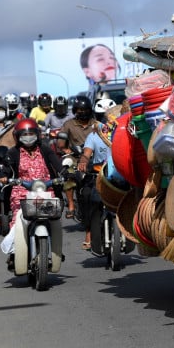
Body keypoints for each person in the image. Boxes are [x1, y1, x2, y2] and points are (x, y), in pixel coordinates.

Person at [2, 118, 63, 227]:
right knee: (18, 222)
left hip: (45, 190)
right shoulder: (13, 152)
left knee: (54, 222)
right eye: (24, 134)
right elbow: (7, 169)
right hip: (21, 192)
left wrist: (66, 173)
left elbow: (57, 164)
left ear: (37, 135)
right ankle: (13, 243)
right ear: (17, 136)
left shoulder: (45, 149)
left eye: (31, 134)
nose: (28, 137)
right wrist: (4, 177)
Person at [75, 97, 115, 250]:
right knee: (86, 194)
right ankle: (88, 230)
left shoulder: (123, 132)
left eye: (109, 117)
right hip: (100, 174)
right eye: (102, 117)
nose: (106, 121)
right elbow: (86, 153)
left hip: (120, 173)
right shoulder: (93, 135)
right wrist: (83, 161)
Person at [58, 96, 97, 220]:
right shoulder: (68, 124)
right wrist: (68, 151)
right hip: (75, 157)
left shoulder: (96, 124)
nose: (83, 112)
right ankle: (71, 205)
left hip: (95, 157)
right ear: (75, 110)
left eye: (85, 109)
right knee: (69, 173)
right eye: (80, 110)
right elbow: (61, 144)